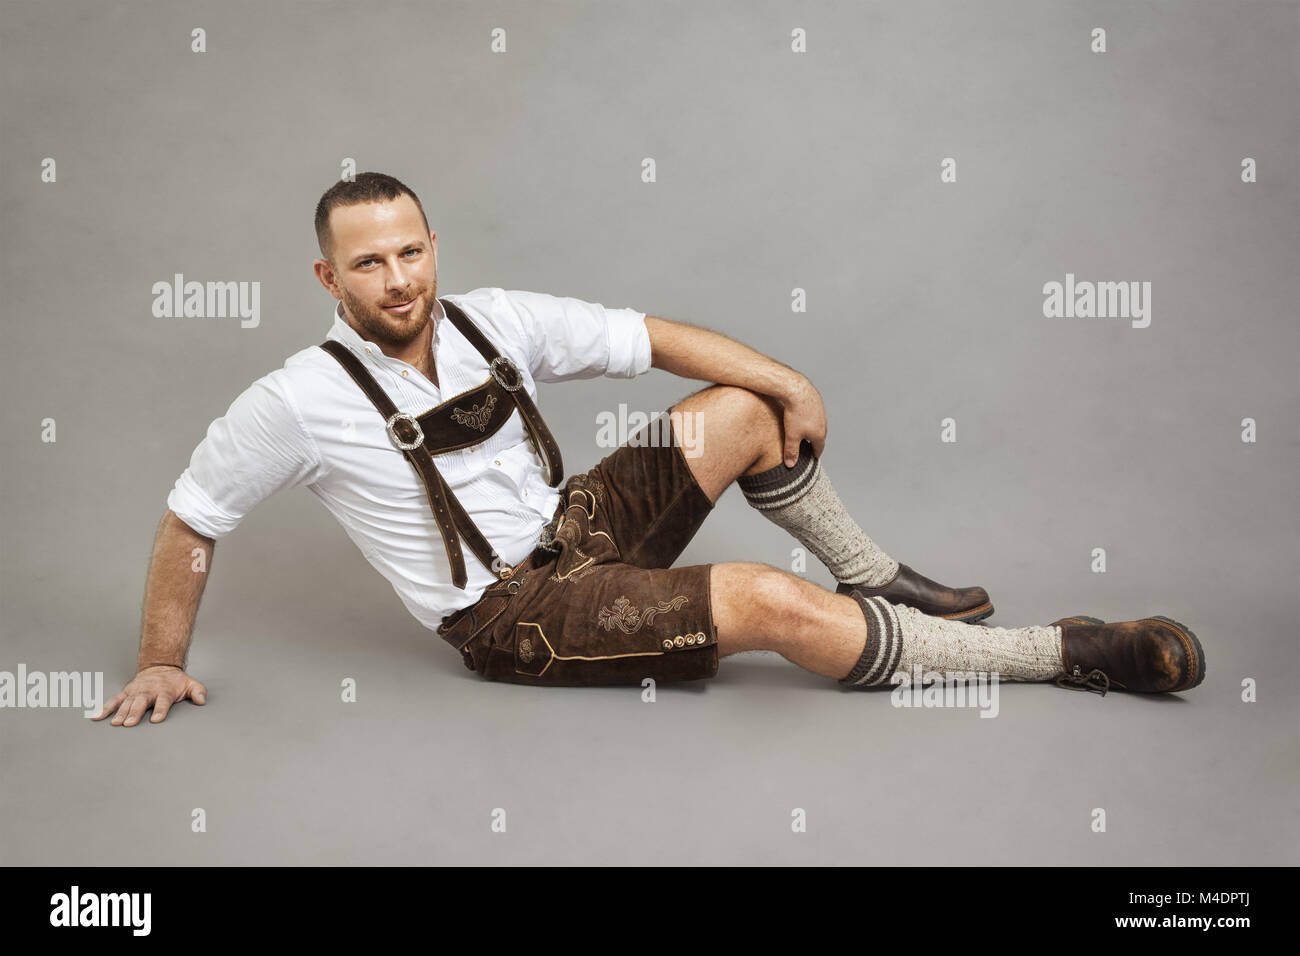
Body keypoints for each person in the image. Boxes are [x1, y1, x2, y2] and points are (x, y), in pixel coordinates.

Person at [94, 172, 1205, 727]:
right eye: (369, 265)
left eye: (409, 252)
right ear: (330, 281)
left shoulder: (491, 318)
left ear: (434, 246)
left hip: (580, 524)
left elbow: (650, 337)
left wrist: (785, 378)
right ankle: (1060, 652)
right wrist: (158, 653)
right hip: (514, 612)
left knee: (740, 405)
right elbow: (193, 514)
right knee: (770, 599)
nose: (399, 281)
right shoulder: (297, 398)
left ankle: (871, 576)